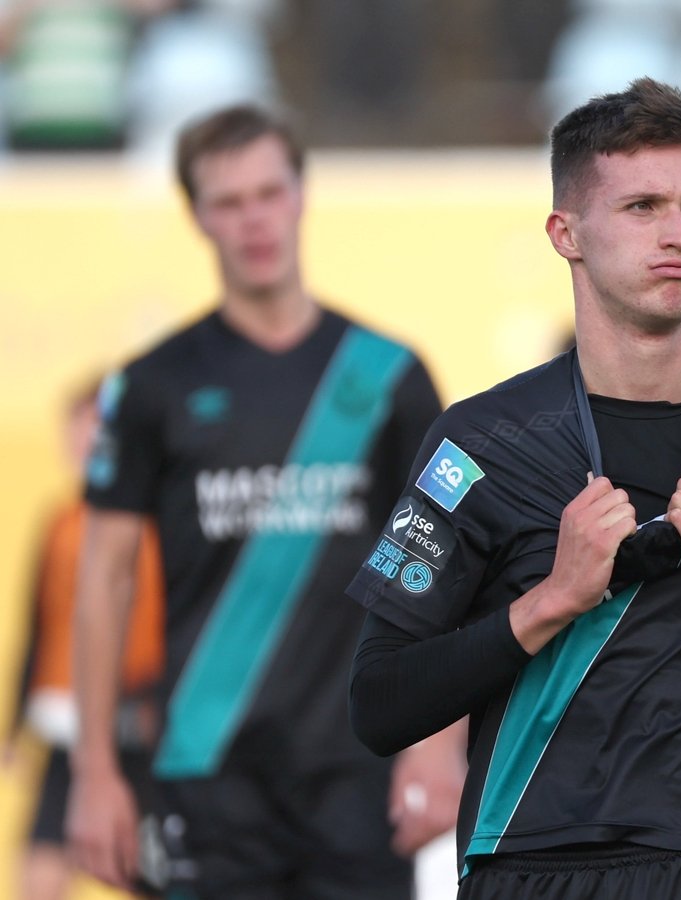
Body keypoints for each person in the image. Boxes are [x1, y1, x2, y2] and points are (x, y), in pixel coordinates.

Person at [344, 77, 681, 899]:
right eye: (642, 208)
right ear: (566, 233)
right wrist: (551, 599)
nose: (678, 234)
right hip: (531, 866)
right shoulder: (479, 443)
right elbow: (379, 705)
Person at [67, 103, 461, 898]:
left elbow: (444, 568)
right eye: (229, 202)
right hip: (207, 769)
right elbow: (102, 579)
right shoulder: (151, 384)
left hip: (358, 767)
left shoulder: (388, 376)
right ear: (198, 217)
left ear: (301, 194)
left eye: (268, 193)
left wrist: (438, 743)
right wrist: (96, 770)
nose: (255, 220)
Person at [6, 381, 164, 900]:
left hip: (137, 729)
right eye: (76, 430)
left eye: (96, 429)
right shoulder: (61, 523)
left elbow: (176, 624)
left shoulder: (155, 523)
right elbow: (40, 624)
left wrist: (151, 702)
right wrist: (13, 727)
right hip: (65, 724)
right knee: (42, 873)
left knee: (146, 871)